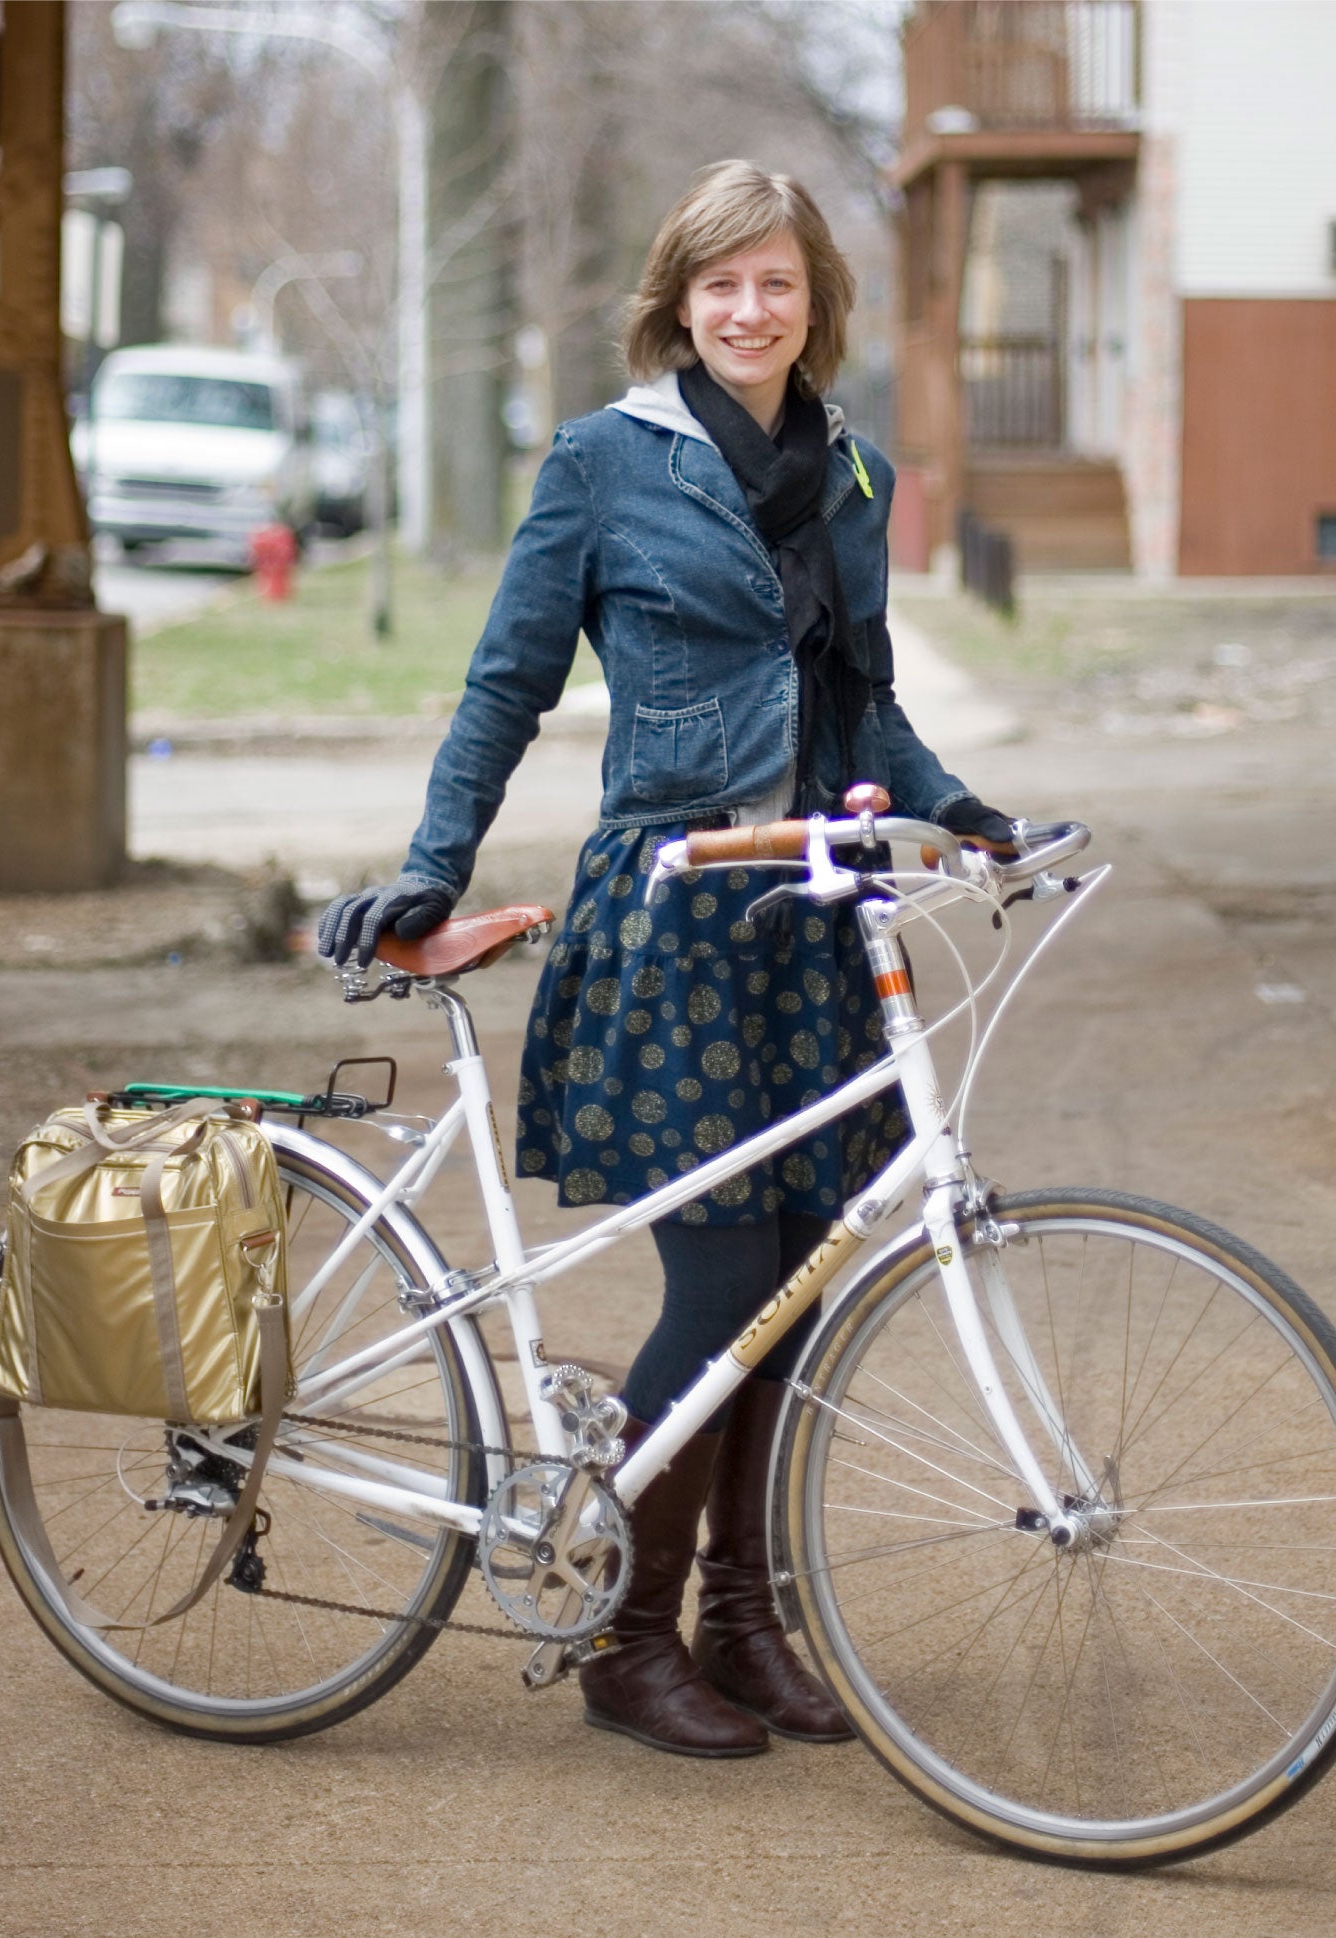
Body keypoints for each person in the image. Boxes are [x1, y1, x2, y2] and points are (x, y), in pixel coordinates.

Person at [318, 160, 1018, 1759]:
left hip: (816, 912)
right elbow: (506, 684)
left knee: (799, 1283)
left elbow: (863, 703)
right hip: (680, 912)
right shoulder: (602, 463)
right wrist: (435, 863)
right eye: (720, 284)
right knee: (720, 1284)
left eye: (775, 282)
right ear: (678, 303)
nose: (748, 310)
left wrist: (965, 812)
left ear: (813, 302)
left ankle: (743, 1620)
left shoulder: (851, 472)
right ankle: (625, 1637)